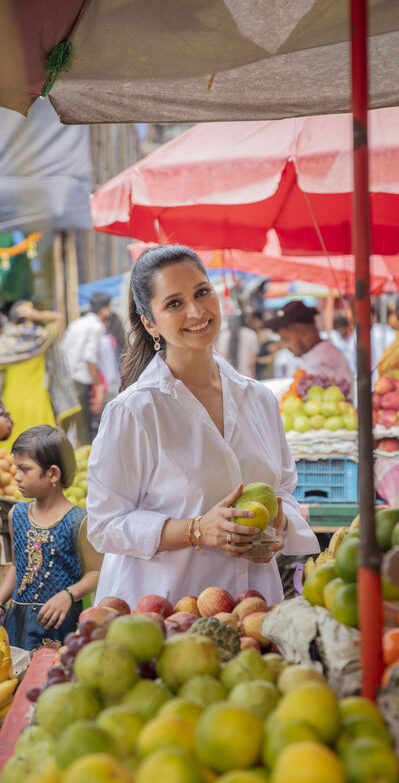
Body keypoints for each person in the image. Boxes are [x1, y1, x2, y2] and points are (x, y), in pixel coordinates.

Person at [86, 245, 319, 607]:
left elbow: (284, 490)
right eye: (174, 303)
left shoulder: (259, 400)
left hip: (252, 609)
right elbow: (104, 525)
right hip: (166, 613)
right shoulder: (135, 412)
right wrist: (197, 530)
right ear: (150, 323)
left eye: (201, 292)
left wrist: (279, 526)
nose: (196, 311)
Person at [0, 426, 101, 650]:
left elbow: (96, 572)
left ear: (53, 473)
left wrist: (68, 595)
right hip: (19, 622)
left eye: (25, 469)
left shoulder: (79, 521)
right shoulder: (15, 515)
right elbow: (17, 568)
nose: (16, 477)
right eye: (16, 468)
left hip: (60, 624)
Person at [0, 301, 80, 449]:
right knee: (40, 449)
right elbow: (60, 318)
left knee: (11, 454)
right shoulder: (41, 337)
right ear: (31, 318)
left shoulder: (4, 344)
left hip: (11, 403)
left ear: (12, 320)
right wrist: (38, 315)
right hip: (38, 402)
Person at [61, 293, 113, 443]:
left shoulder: (76, 323)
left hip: (68, 381)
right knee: (85, 428)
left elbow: (63, 350)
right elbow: (90, 358)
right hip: (82, 383)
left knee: (73, 427)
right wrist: (99, 386)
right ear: (104, 310)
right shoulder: (96, 326)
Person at [264, 301, 353, 387]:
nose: (284, 346)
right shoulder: (316, 356)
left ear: (304, 334)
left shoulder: (323, 364)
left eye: (286, 339)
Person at [216, 312, 259, 378]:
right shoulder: (250, 334)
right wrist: (253, 375)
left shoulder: (224, 335)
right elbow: (252, 361)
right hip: (246, 376)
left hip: (229, 378)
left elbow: (222, 359)